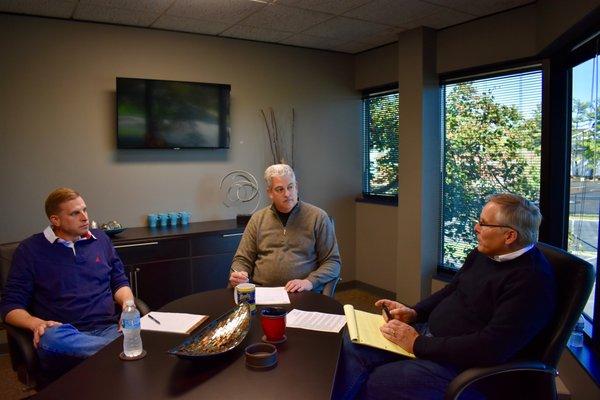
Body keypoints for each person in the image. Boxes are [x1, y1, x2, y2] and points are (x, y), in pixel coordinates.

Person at [332, 193, 557, 400]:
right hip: (429, 339)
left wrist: (418, 344)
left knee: (377, 382)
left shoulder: (532, 282)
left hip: (465, 368)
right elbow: (452, 290)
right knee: (351, 344)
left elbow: (490, 348)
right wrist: (415, 312)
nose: (476, 228)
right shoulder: (487, 254)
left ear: (509, 235)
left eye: (484, 223)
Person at [0, 187, 134, 378]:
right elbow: (9, 306)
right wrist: (35, 323)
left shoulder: (101, 240)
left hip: (109, 329)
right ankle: (121, 351)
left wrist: (128, 307)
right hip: (65, 335)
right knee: (51, 337)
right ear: (55, 220)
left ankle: (116, 352)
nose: (84, 217)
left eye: (85, 210)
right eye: (75, 213)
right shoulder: (30, 250)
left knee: (136, 327)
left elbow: (119, 281)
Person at [229, 164, 341, 293]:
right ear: (270, 192)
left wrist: (309, 282)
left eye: (290, 187)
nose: (287, 194)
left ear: (297, 187)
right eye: (280, 189)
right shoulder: (258, 219)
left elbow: (333, 262)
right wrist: (239, 274)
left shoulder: (318, 217)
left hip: (303, 293)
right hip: (263, 292)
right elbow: (242, 259)